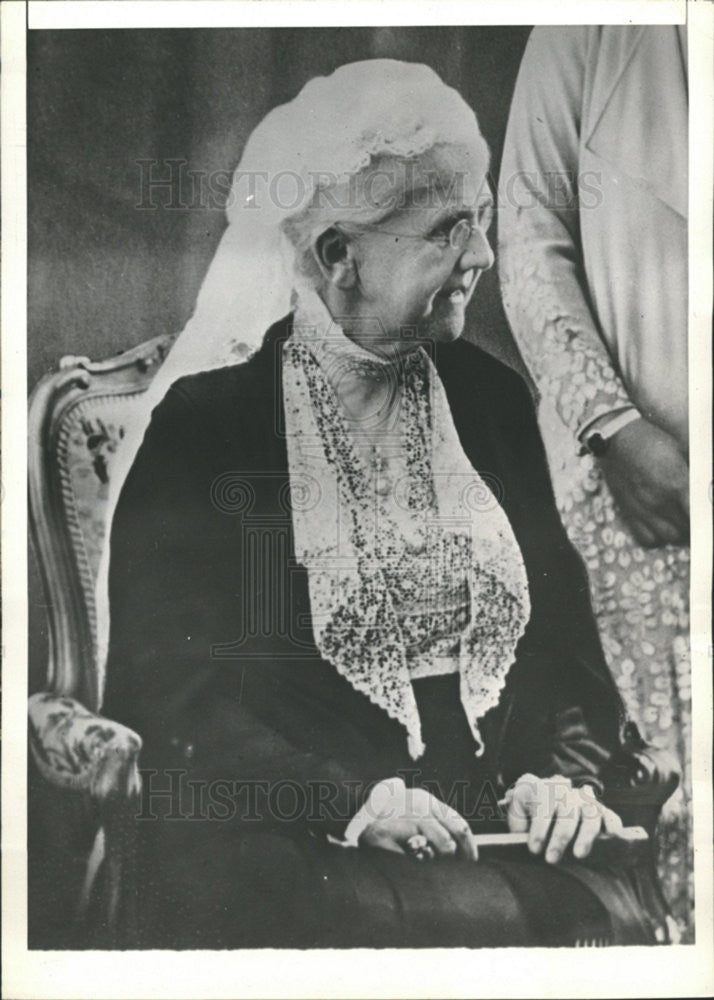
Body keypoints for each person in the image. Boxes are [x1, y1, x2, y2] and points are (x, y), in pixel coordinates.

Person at [102, 59, 674, 949]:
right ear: (339, 258)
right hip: (300, 833)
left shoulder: (488, 401)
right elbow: (171, 702)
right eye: (448, 230)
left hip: (491, 822)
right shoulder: (210, 431)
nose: (482, 256)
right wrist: (353, 800)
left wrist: (564, 782)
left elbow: (564, 658)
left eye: (482, 221)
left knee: (611, 908)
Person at [497, 27, 691, 936]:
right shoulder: (590, 27)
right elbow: (529, 231)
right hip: (634, 482)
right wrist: (610, 427)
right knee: (665, 794)